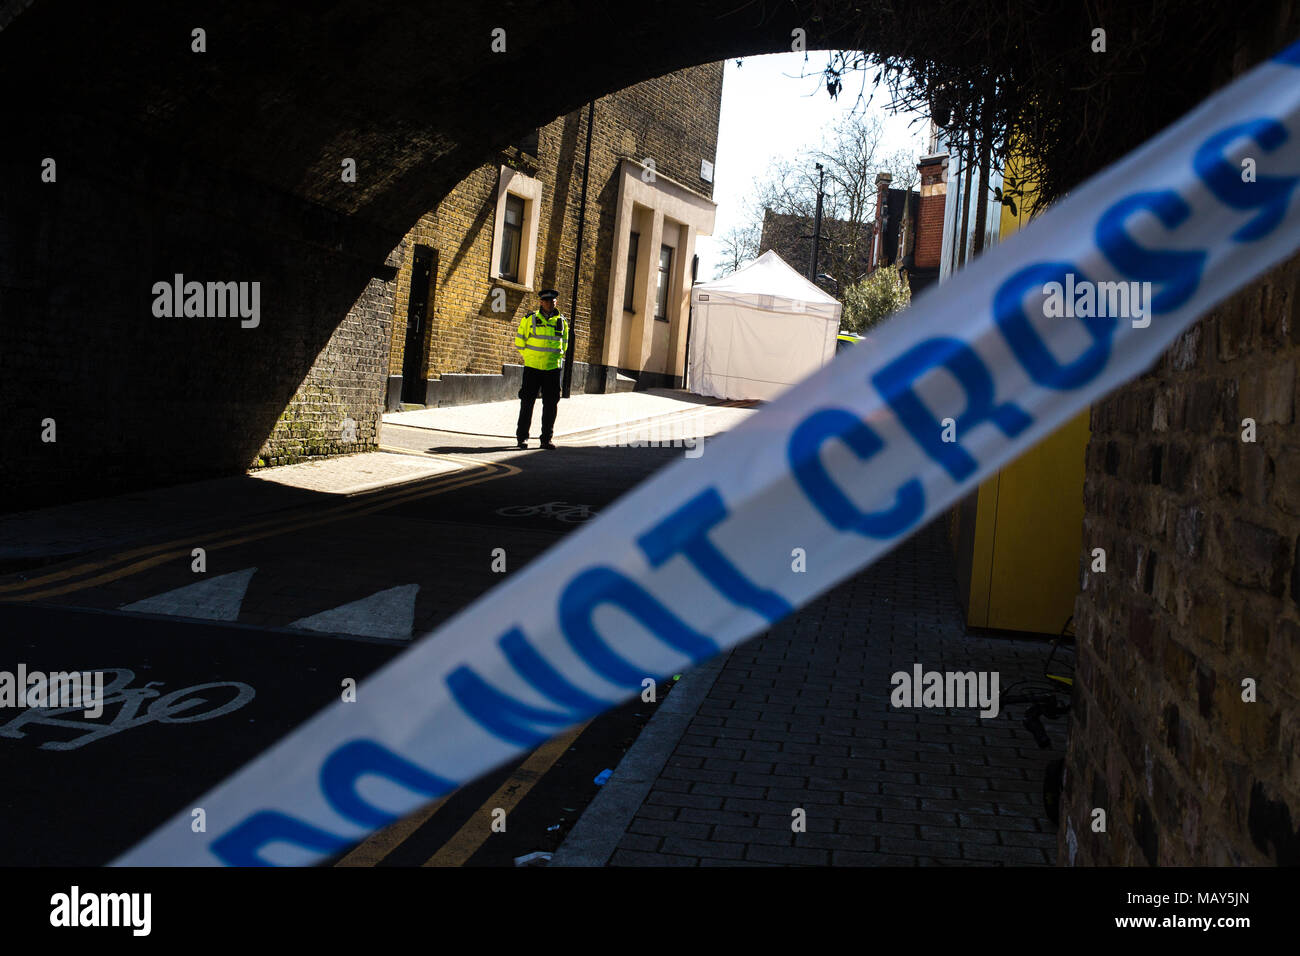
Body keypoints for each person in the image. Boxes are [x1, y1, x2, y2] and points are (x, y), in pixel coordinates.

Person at [514, 288, 569, 449]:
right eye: (546, 301)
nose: (549, 303)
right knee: (527, 403)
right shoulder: (529, 319)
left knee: (551, 405)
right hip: (532, 368)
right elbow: (519, 342)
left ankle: (546, 439)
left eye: (552, 301)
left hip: (552, 369)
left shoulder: (562, 322)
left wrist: (555, 358)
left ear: (555, 302)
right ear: (540, 302)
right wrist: (531, 357)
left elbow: (564, 345)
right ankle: (522, 438)